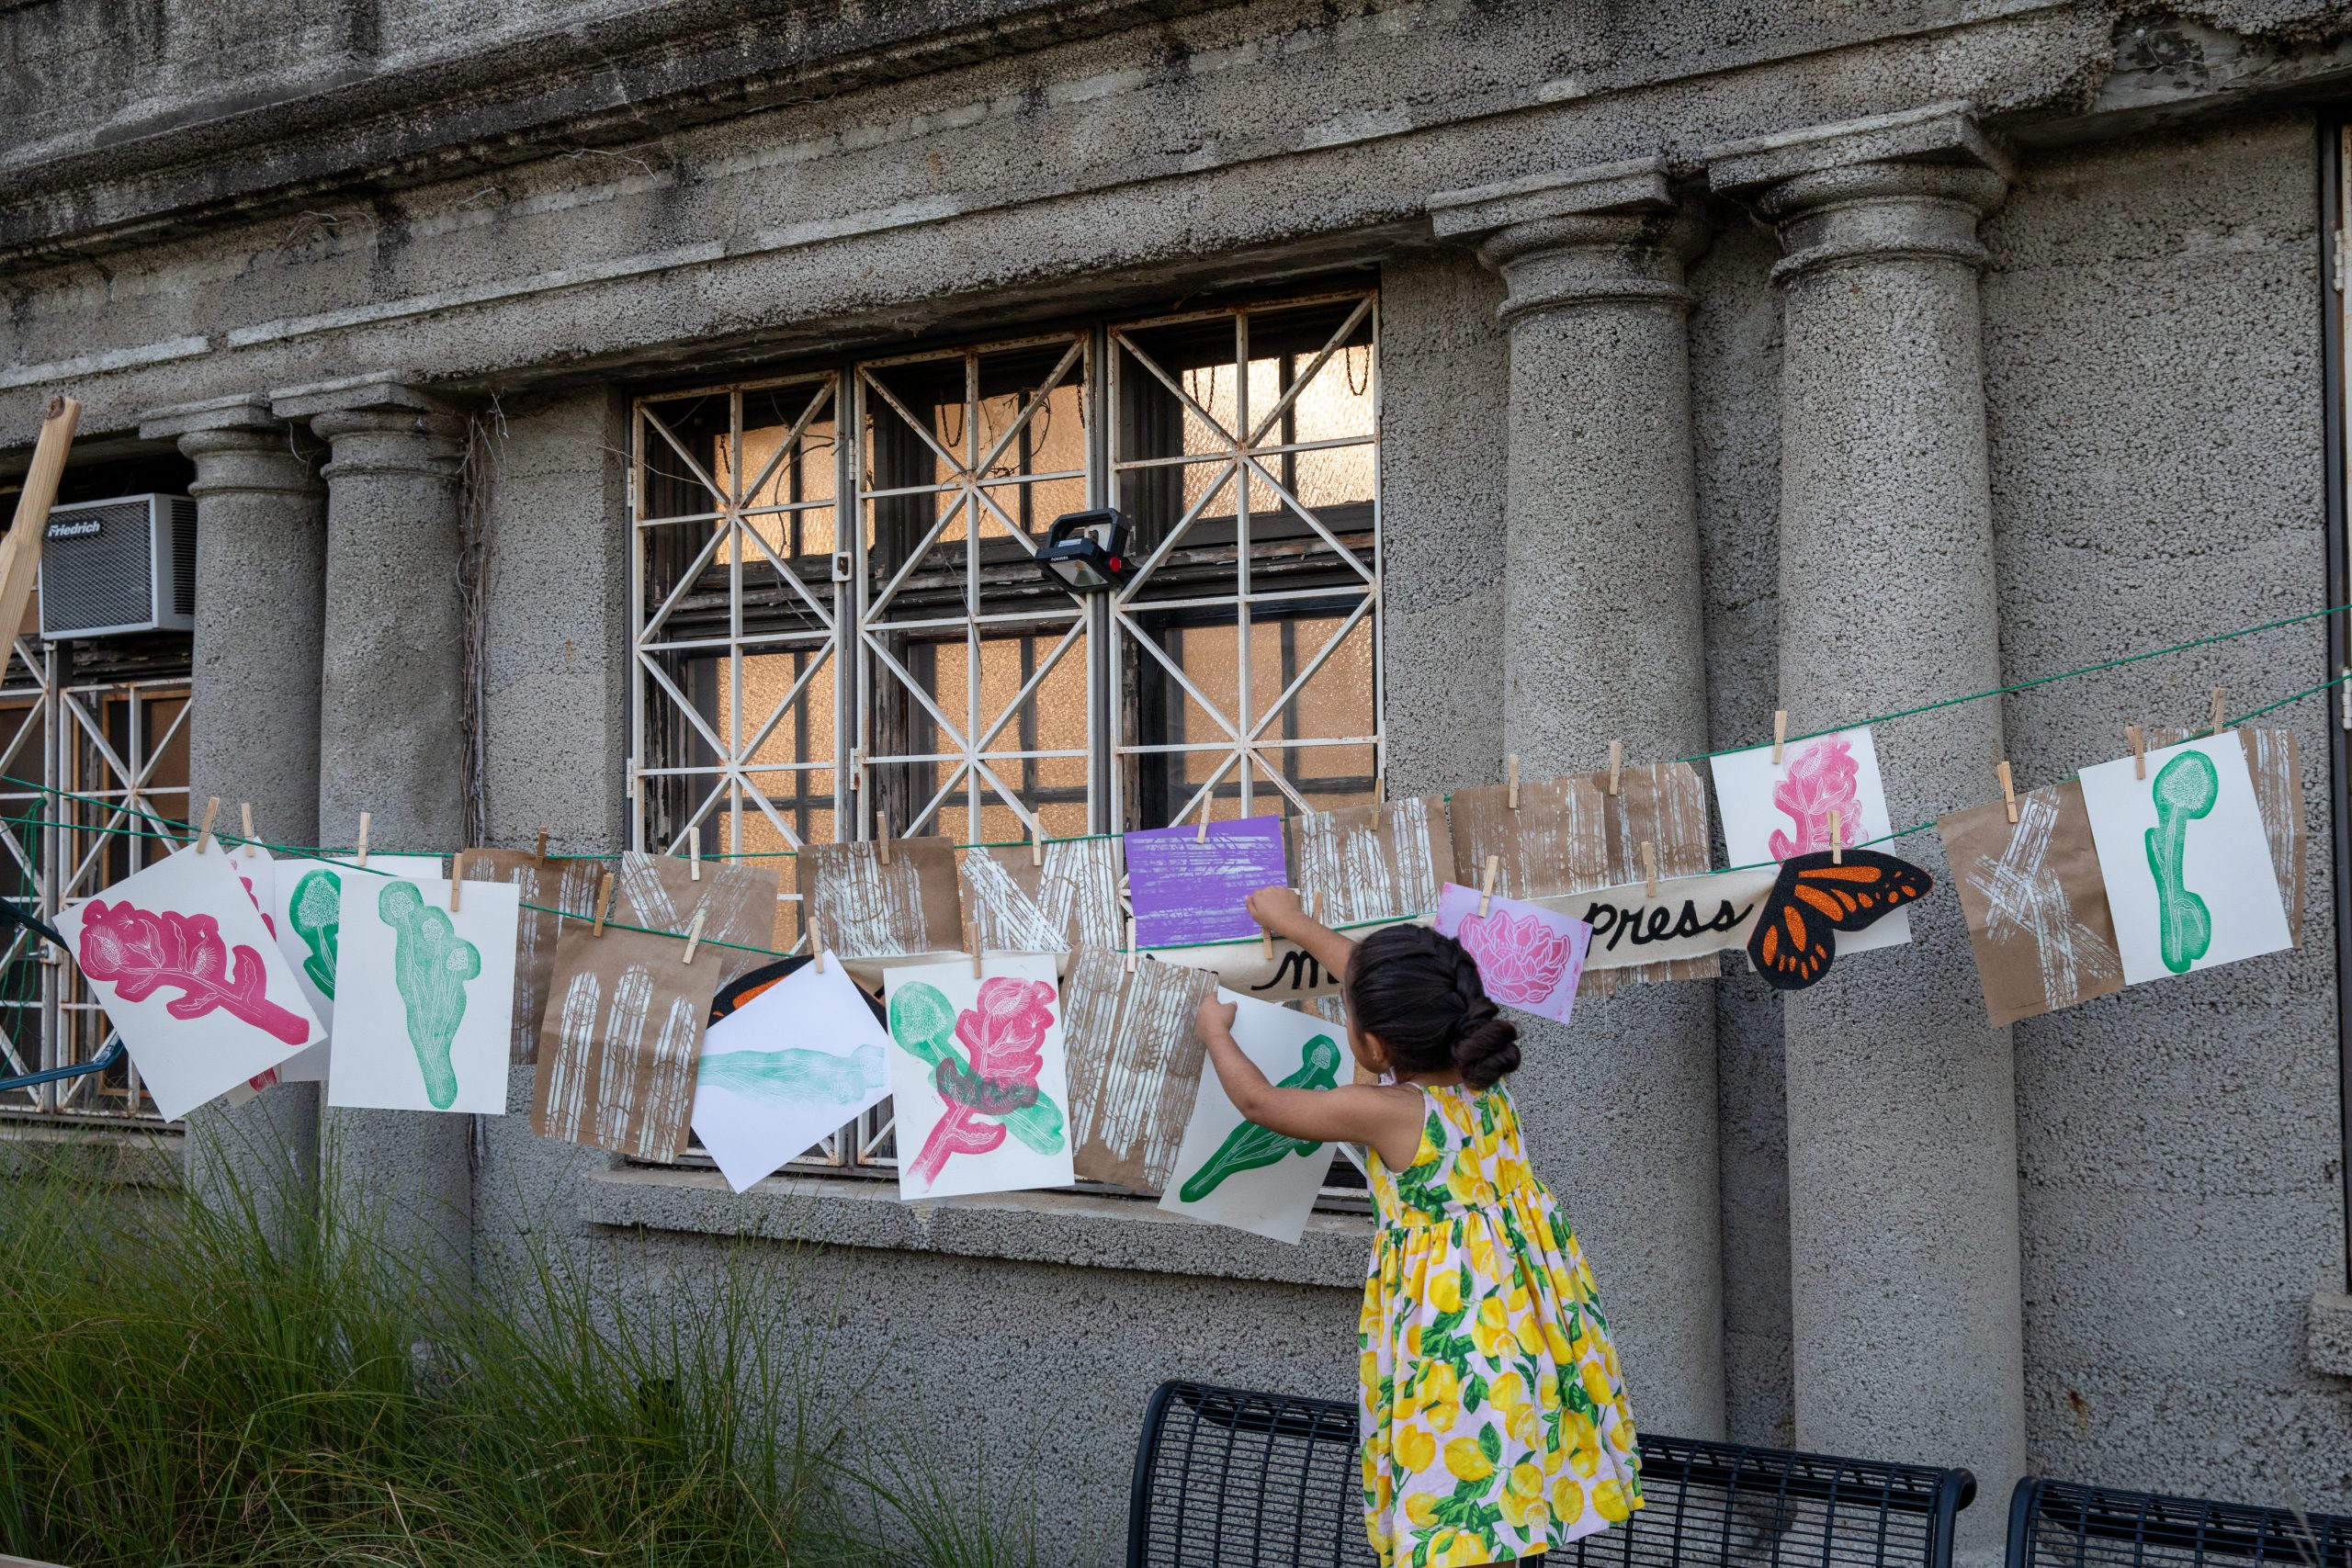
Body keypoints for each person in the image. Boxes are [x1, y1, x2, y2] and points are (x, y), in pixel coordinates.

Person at [1193, 886, 1643, 1568]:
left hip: (1454, 1330)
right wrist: (1293, 922)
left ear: (1374, 1042)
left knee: (1457, 1497)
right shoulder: (1480, 1076)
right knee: (1503, 1486)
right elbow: (1374, 978)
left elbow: (1261, 1101)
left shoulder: (1390, 1110)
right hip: (1523, 1325)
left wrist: (1215, 1032)